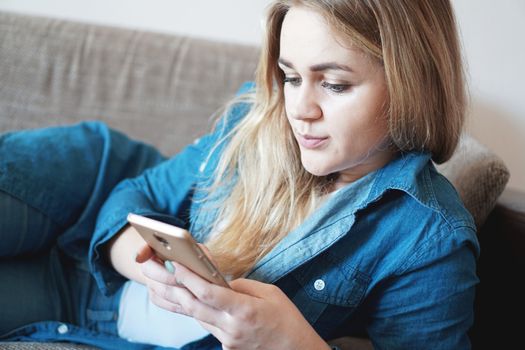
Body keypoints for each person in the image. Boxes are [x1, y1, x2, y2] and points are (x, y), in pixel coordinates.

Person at [0, 0, 479, 349]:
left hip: (80, 305)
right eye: (291, 76)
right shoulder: (257, 118)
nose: (299, 109)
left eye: (334, 84)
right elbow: (139, 190)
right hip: (79, 189)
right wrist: (146, 268)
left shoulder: (427, 237)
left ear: (411, 82)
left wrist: (292, 343)